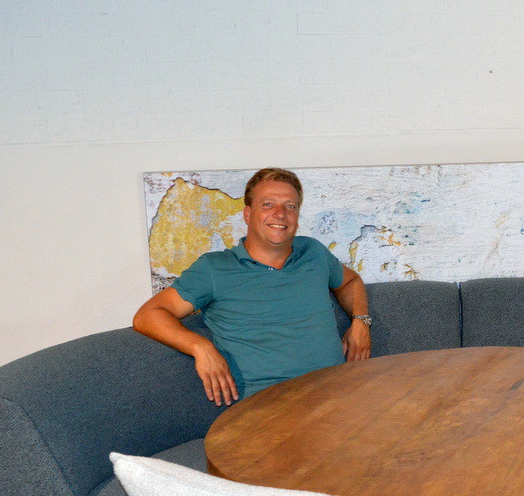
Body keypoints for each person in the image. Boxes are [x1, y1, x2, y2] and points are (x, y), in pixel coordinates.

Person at [133, 167, 371, 406]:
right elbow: (147, 315)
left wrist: (361, 321)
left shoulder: (313, 252)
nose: (280, 214)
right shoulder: (215, 268)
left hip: (338, 395)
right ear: (247, 214)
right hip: (269, 410)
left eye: (290, 206)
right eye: (268, 204)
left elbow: (350, 281)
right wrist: (200, 347)